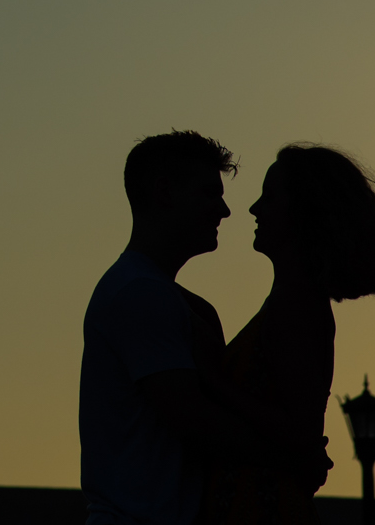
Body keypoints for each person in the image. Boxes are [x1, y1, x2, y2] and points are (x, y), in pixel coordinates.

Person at [81, 132, 328, 525]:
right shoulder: (141, 293)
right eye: (209, 193)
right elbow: (191, 419)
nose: (226, 211)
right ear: (165, 194)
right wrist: (294, 457)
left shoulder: (174, 301)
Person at [202, 145, 375, 525]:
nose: (255, 209)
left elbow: (298, 430)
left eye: (271, 197)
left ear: (304, 212)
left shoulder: (298, 306)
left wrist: (211, 381)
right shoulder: (291, 302)